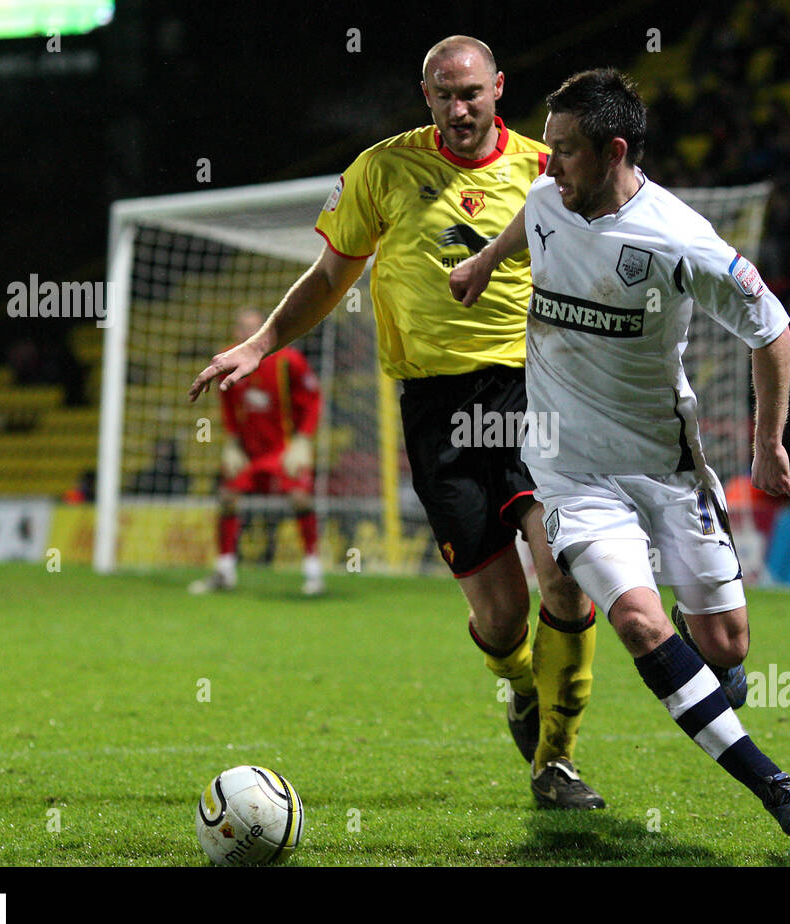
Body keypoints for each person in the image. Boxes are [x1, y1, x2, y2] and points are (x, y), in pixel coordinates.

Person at [189, 37, 604, 809]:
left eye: (473, 92)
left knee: (567, 573)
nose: (461, 108)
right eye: (445, 94)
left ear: (499, 88)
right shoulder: (381, 170)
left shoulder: (545, 169)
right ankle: (520, 687)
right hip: (436, 411)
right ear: (426, 96)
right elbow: (326, 277)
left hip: (534, 393)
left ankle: (558, 760)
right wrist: (259, 343)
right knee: (503, 616)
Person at [450, 69, 790, 836]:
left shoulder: (677, 240)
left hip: (665, 466)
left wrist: (767, 445)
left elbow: (773, 330)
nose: (548, 165)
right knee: (638, 622)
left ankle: (712, 656)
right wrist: (485, 263)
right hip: (569, 471)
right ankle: (773, 783)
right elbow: (531, 215)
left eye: (566, 151)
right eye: (547, 148)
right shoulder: (550, 197)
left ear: (615, 150)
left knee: (725, 646)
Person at [190, 307, 325, 597]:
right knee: (227, 497)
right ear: (235, 332)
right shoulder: (227, 359)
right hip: (249, 452)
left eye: (254, 328)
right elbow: (226, 404)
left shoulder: (289, 360)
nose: (247, 333)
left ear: (264, 330)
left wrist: (302, 441)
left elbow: (313, 399)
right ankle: (224, 571)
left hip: (284, 449)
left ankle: (314, 573)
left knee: (301, 498)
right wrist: (231, 443)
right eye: (242, 328)